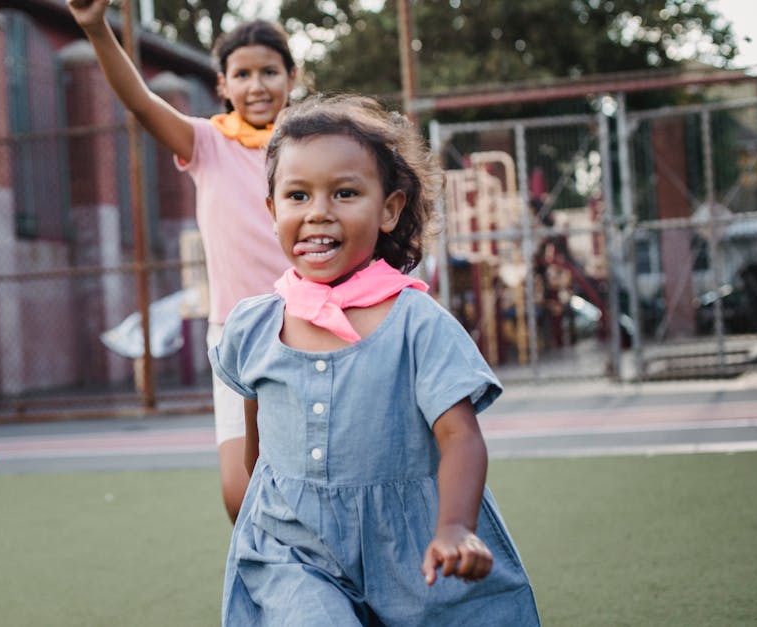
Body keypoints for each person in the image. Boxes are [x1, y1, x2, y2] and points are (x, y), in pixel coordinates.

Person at [210, 95, 540, 625]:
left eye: (345, 193)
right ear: (273, 211)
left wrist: (455, 526)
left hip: (409, 547)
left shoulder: (416, 322)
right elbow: (258, 457)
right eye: (297, 195)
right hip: (296, 552)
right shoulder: (253, 327)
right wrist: (265, 525)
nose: (318, 211)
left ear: (389, 208)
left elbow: (461, 437)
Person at [67, 0, 295, 522]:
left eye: (269, 72)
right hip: (236, 336)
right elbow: (141, 102)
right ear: (223, 85)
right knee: (240, 496)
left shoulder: (309, 143)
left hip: (306, 329)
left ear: (291, 77)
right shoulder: (208, 143)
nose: (257, 85)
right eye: (243, 74)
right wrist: (96, 27)